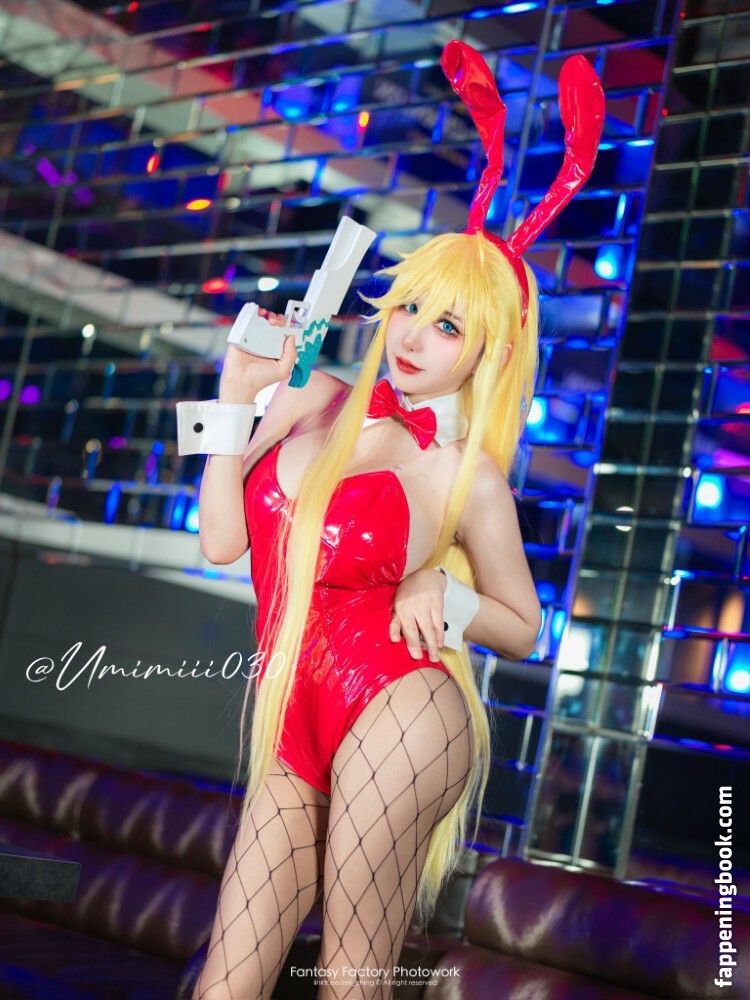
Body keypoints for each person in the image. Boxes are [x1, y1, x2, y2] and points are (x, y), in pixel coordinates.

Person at [176, 40, 604, 1000]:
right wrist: (234, 392)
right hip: (295, 716)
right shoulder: (312, 398)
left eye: (449, 326)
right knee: (223, 986)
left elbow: (526, 629)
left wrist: (445, 590)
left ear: (487, 355)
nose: (413, 336)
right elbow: (220, 541)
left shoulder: (465, 474)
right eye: (412, 307)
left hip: (405, 709)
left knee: (350, 980)